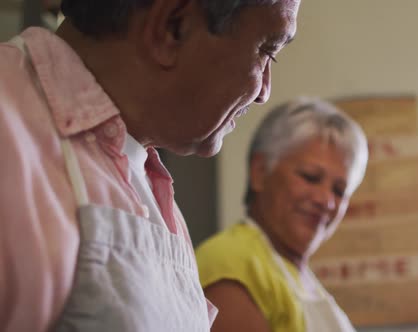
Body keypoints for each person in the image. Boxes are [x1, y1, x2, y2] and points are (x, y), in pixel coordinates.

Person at [0, 0, 300, 331]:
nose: (265, 93)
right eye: (266, 51)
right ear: (172, 27)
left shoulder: (143, 176)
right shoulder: (10, 134)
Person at [195, 97, 369, 332]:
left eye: (339, 190)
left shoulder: (298, 276)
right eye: (310, 177)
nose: (326, 200)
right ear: (259, 171)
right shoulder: (232, 264)